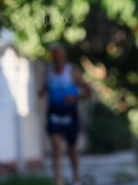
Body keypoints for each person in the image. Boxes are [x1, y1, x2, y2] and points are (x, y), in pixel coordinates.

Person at [39, 44, 92, 185]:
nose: (56, 58)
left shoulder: (71, 71)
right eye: (54, 55)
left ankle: (76, 178)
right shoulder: (48, 72)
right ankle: (59, 181)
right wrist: (41, 92)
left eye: (58, 55)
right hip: (54, 113)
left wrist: (75, 98)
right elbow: (45, 88)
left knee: (71, 148)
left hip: (70, 114)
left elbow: (88, 91)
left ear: (63, 56)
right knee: (55, 146)